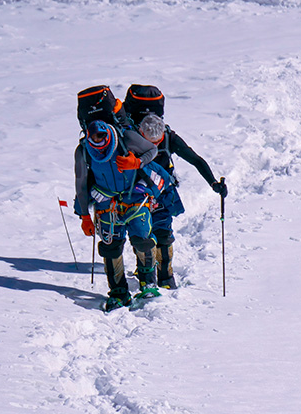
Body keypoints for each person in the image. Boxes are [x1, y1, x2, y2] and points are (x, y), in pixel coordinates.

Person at [124, 87, 228, 289]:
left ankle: (162, 277)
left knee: (156, 234)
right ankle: (156, 276)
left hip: (152, 193)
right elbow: (195, 159)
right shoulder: (159, 138)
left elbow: (196, 160)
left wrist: (214, 183)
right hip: (149, 193)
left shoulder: (145, 137)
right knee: (147, 234)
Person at [73, 119, 170, 311]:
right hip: (106, 201)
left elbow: (152, 150)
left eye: (101, 136)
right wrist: (84, 215)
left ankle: (148, 284)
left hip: (135, 195)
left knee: (143, 239)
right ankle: (118, 292)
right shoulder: (83, 150)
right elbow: (81, 182)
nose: (98, 140)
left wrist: (137, 162)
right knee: (111, 247)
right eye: (94, 137)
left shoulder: (125, 138)